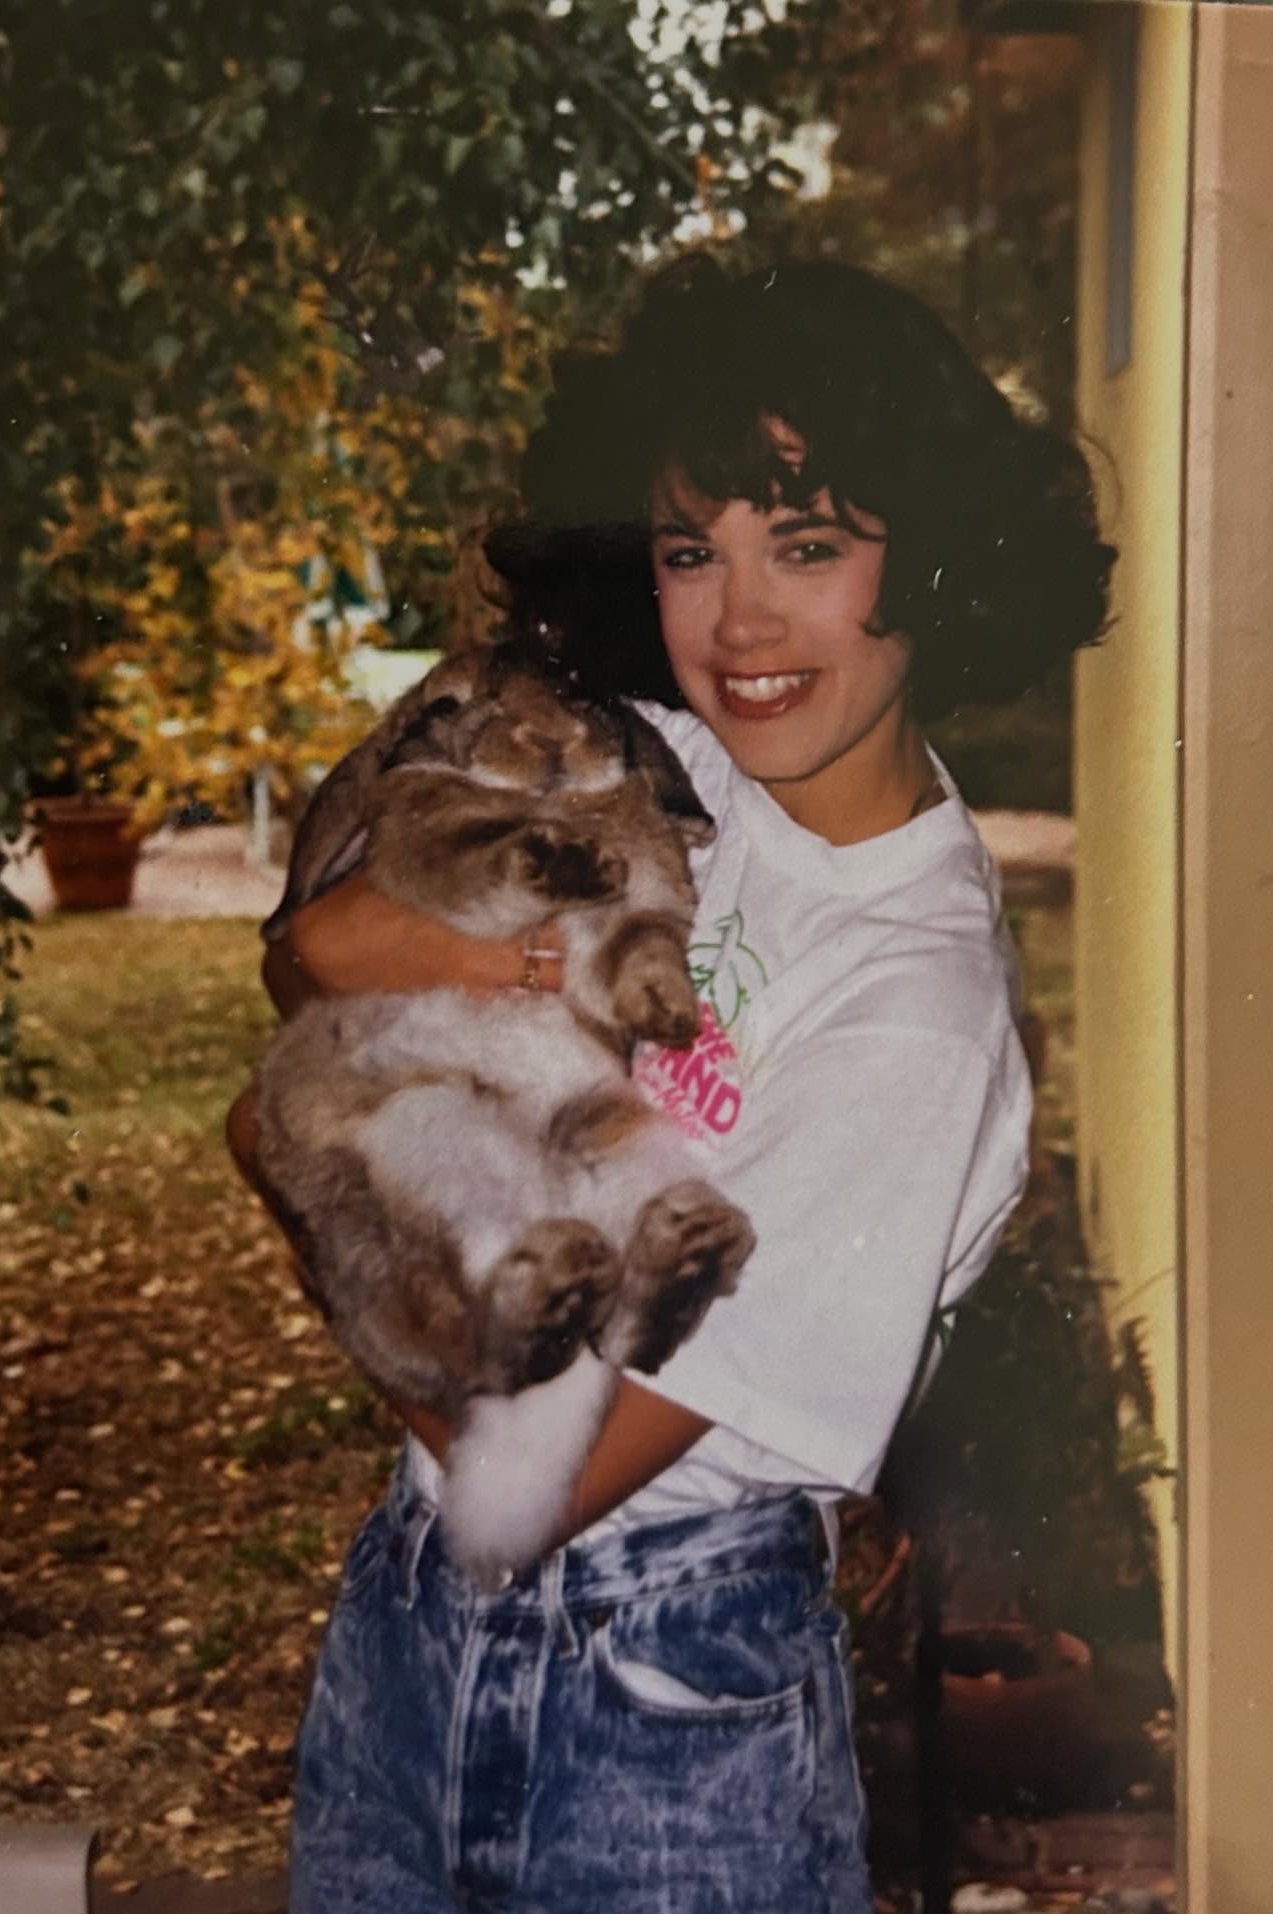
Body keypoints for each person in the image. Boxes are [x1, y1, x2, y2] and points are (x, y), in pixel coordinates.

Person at [227, 255, 1114, 1912]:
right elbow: (316, 949)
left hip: (662, 1702)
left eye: (811, 547)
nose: (741, 622)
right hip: (408, 1625)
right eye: (693, 549)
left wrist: (299, 1187)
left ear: (932, 555)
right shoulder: (666, 753)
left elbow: (555, 1474)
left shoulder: (912, 1008)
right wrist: (420, 1009)